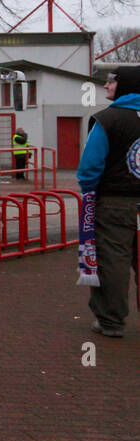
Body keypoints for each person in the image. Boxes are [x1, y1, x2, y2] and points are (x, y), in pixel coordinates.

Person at [76, 67, 140, 338]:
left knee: (113, 261)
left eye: (110, 82)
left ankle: (111, 321)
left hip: (115, 203)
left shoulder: (107, 120)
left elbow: (90, 165)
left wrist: (89, 190)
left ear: (124, 85)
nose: (105, 86)